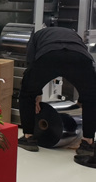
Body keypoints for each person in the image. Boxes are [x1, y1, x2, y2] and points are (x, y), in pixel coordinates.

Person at [17, 27, 96, 167]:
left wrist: (36, 93)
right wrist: (84, 99)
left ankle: (28, 138)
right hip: (79, 57)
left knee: (26, 94)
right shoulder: (74, 36)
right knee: (92, 98)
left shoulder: (37, 35)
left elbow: (31, 62)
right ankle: (87, 143)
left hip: (49, 55)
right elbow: (84, 60)